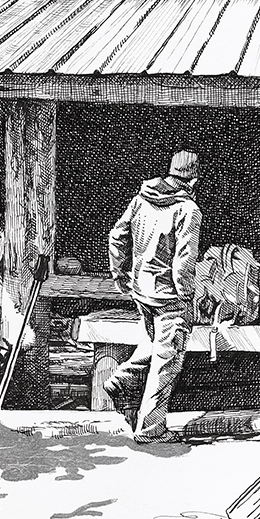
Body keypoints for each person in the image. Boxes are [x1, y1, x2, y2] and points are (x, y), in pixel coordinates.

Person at [103, 149, 203, 442]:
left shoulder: (141, 200)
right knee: (166, 362)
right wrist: (187, 296)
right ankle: (151, 430)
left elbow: (116, 236)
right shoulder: (189, 210)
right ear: (193, 180)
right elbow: (184, 260)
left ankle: (122, 380)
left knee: (153, 343)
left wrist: (120, 274)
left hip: (141, 291)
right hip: (170, 297)